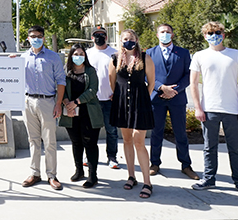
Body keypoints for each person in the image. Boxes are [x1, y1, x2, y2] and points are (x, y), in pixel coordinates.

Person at [188, 22, 238, 198]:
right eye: (210, 32)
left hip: (233, 110)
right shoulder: (199, 56)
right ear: (205, 36)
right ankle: (209, 179)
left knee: (235, 148)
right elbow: (193, 84)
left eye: (217, 32)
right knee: (209, 147)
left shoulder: (235, 55)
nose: (214, 35)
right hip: (209, 109)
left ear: (224, 35)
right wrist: (198, 107)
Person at [145, 24, 199, 180]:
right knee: (156, 133)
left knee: (180, 133)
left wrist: (175, 90)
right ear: (157, 35)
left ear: (172, 35)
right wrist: (161, 87)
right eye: (162, 32)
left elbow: (189, 74)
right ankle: (154, 163)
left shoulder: (183, 53)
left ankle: (186, 165)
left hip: (177, 98)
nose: (165, 34)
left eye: (168, 32)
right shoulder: (149, 53)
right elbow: (145, 76)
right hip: (157, 99)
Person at [108, 29, 156, 198]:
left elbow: (151, 82)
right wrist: (120, 98)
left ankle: (147, 182)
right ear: (121, 41)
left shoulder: (145, 58)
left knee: (139, 141)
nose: (129, 41)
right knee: (127, 140)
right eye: (125, 38)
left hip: (140, 104)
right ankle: (131, 176)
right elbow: (112, 82)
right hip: (122, 104)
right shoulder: (115, 59)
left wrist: (143, 99)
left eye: (131, 38)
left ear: (136, 40)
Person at [20, 25, 66, 190]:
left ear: (44, 38)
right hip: (27, 102)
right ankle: (34, 173)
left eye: (39, 35)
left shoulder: (53, 57)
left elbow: (61, 81)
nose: (36, 38)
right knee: (33, 140)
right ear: (28, 38)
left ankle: (52, 175)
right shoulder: (22, 58)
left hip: (48, 102)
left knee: (49, 141)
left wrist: (58, 103)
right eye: (33, 36)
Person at [59, 43, 104, 188]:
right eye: (76, 54)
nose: (78, 57)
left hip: (88, 112)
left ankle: (93, 175)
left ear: (85, 56)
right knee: (76, 142)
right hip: (71, 113)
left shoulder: (90, 71)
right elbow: (61, 88)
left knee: (90, 143)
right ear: (71, 56)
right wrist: (67, 103)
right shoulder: (66, 71)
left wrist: (76, 102)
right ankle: (79, 171)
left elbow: (93, 90)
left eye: (81, 54)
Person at [85, 26, 120, 169]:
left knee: (111, 131)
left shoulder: (116, 53)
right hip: (92, 100)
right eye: (96, 35)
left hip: (110, 99)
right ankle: (89, 157)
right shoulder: (87, 54)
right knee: (91, 131)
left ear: (106, 37)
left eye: (102, 34)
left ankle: (112, 157)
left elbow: (121, 75)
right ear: (92, 37)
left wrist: (117, 92)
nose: (99, 37)